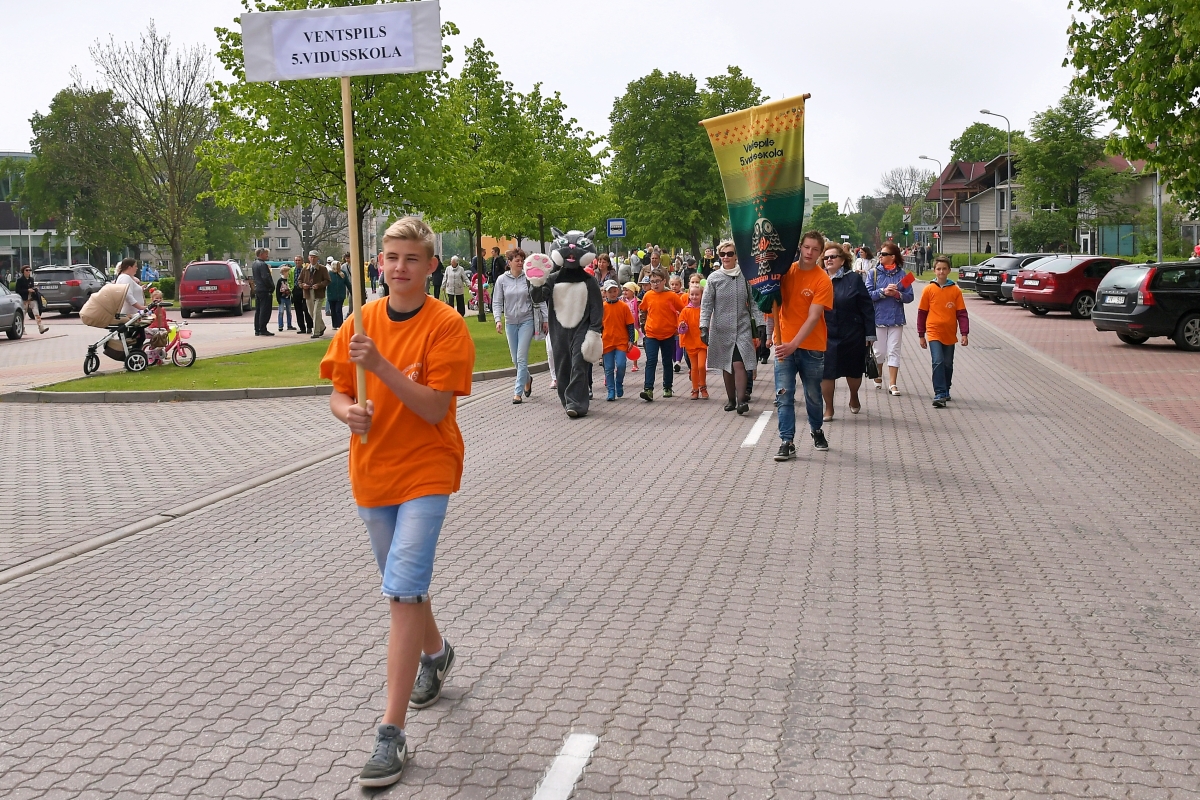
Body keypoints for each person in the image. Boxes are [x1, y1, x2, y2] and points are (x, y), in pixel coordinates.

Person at [320, 216, 474, 790]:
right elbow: (338, 392)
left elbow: (434, 408)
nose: (400, 268)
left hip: (427, 469)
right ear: (378, 263)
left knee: (402, 588)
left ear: (431, 266)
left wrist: (380, 366)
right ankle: (436, 653)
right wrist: (349, 414)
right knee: (403, 585)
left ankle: (391, 732)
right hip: (372, 471)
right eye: (391, 257)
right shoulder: (359, 322)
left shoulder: (446, 325)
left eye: (411, 258)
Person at [773, 231, 835, 462]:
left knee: (813, 394)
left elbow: (813, 316)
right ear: (800, 247)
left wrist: (794, 344)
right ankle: (786, 441)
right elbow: (771, 300)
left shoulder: (822, 279)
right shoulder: (785, 272)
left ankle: (816, 429)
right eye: (807, 247)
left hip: (811, 347)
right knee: (784, 394)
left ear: (820, 253)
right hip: (784, 345)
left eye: (815, 249)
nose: (810, 252)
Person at [700, 240, 760, 414]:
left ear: (736, 256)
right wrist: (703, 326)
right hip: (721, 327)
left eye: (730, 253)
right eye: (723, 254)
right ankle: (731, 399)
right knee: (727, 364)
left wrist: (761, 323)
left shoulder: (746, 276)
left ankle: (741, 401)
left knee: (739, 363)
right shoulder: (714, 278)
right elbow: (706, 304)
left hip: (742, 326)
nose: (726, 257)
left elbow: (754, 302)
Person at [819, 243, 876, 420]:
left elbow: (867, 307)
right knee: (826, 372)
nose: (829, 260)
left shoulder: (854, 279)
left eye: (833, 257)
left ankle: (854, 396)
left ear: (842, 260)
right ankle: (829, 408)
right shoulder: (818, 278)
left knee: (853, 370)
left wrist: (870, 333)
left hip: (852, 333)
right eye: (826, 257)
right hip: (826, 334)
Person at [493, 248, 547, 404]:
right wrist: (497, 320)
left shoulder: (529, 278)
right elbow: (497, 301)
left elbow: (540, 299)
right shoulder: (502, 280)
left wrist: (545, 319)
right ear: (509, 262)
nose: (520, 263)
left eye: (522, 260)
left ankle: (517, 392)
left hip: (526, 321)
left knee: (521, 358)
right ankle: (527, 378)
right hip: (510, 322)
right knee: (515, 360)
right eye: (517, 260)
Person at [919, 255, 970, 408]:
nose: (941, 272)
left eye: (944, 269)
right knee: (938, 361)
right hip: (933, 332)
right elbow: (922, 313)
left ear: (949, 270)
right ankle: (939, 393)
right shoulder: (928, 289)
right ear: (934, 270)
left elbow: (962, 314)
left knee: (947, 364)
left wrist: (964, 333)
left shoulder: (955, 291)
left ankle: (946, 388)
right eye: (938, 269)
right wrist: (921, 335)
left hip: (949, 333)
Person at [865, 242, 915, 396]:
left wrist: (897, 294)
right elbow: (867, 295)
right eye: (880, 253)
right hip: (878, 318)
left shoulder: (903, 275)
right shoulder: (873, 273)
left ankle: (893, 384)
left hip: (896, 319)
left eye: (884, 254)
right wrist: (883, 292)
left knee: (894, 350)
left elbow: (910, 296)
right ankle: (878, 373)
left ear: (893, 257)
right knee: (879, 352)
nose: (880, 256)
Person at [638, 268, 687, 401]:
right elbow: (642, 310)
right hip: (651, 334)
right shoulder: (648, 295)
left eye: (658, 281)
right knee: (651, 361)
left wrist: (680, 323)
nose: (655, 284)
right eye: (652, 281)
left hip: (668, 334)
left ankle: (667, 387)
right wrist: (643, 326)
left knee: (667, 361)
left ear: (664, 281)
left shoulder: (671, 296)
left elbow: (683, 310)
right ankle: (648, 389)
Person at [600, 280, 635, 401]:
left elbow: (630, 324)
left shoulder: (623, 306)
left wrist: (631, 340)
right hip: (607, 342)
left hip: (621, 341)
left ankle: (619, 382)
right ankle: (611, 390)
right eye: (610, 292)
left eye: (615, 291)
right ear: (605, 293)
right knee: (608, 368)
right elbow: (599, 326)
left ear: (618, 291)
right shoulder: (602, 308)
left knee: (621, 365)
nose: (613, 294)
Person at [678, 283, 707, 399]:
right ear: (689, 295)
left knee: (701, 366)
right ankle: (695, 390)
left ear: (701, 295)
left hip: (702, 343)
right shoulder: (685, 311)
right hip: (690, 344)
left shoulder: (704, 310)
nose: (694, 297)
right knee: (694, 368)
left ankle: (703, 387)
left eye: (697, 294)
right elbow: (681, 330)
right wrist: (683, 325)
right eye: (692, 294)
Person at [301, 251, 330, 338]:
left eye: (314, 257)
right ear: (308, 258)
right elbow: (299, 280)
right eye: (311, 257)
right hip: (308, 293)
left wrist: (319, 285)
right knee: (311, 312)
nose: (313, 259)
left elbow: (327, 280)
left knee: (316, 312)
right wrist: (303, 285)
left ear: (317, 258)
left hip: (318, 293)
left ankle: (316, 332)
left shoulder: (322, 268)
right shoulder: (305, 269)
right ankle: (322, 327)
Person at [15, 265, 49, 334]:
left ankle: (41, 327)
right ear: (23, 271)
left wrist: (34, 289)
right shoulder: (20, 280)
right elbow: (17, 290)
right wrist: (27, 290)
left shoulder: (31, 279)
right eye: (26, 270)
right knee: (23, 315)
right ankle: (22, 329)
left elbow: (32, 287)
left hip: (32, 298)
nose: (28, 272)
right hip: (24, 300)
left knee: (37, 313)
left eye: (29, 270)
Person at [251, 248, 274, 336]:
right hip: (264, 290)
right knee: (265, 310)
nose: (267, 255)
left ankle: (257, 329)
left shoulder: (254, 264)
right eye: (266, 254)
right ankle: (263, 328)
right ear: (261, 254)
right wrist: (271, 287)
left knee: (258, 310)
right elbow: (265, 277)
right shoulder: (263, 265)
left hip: (258, 289)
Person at [327, 257, 351, 331]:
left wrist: (352, 292)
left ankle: (340, 324)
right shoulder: (329, 274)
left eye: (338, 265)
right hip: (331, 295)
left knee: (338, 309)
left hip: (340, 295)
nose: (337, 267)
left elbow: (347, 283)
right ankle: (334, 324)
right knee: (333, 310)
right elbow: (325, 282)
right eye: (336, 265)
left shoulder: (342, 273)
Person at [291, 256, 312, 334]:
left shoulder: (306, 269)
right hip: (296, 290)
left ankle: (309, 326)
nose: (297, 262)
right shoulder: (292, 270)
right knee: (298, 310)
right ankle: (302, 327)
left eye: (299, 260)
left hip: (304, 290)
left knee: (306, 309)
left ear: (302, 261)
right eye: (296, 260)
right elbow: (290, 280)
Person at [276, 264, 296, 332]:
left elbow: (291, 289)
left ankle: (289, 325)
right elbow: (277, 290)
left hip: (288, 298)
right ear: (284, 272)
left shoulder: (290, 280)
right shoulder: (280, 281)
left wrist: (292, 297)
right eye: (288, 272)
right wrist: (278, 298)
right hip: (282, 298)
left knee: (289, 312)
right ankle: (280, 325)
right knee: (281, 312)